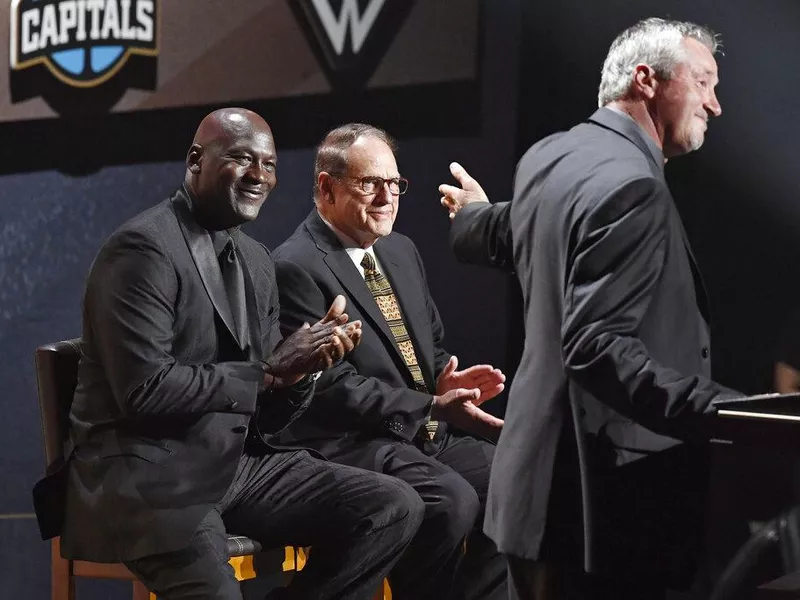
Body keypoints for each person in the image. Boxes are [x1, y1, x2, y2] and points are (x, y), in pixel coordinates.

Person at [33, 108, 425, 600]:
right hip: (150, 475)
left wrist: (301, 373)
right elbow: (144, 390)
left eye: (269, 164)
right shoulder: (141, 250)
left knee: (392, 506)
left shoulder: (257, 261)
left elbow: (265, 406)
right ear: (196, 159)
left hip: (235, 463)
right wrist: (267, 371)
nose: (259, 175)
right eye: (241, 159)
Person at [439, 18, 741, 600]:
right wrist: (736, 416)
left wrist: (474, 218)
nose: (716, 105)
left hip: (531, 499)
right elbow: (595, 348)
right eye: (704, 83)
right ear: (646, 79)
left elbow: (525, 229)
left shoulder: (550, 156)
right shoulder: (635, 185)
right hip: (600, 509)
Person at [272, 123, 509, 600]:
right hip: (348, 442)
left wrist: (445, 378)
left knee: (516, 481)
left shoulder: (400, 251)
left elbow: (430, 348)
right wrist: (430, 407)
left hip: (419, 432)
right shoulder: (295, 265)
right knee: (450, 500)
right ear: (326, 187)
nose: (387, 197)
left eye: (394, 184)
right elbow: (328, 386)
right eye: (369, 183)